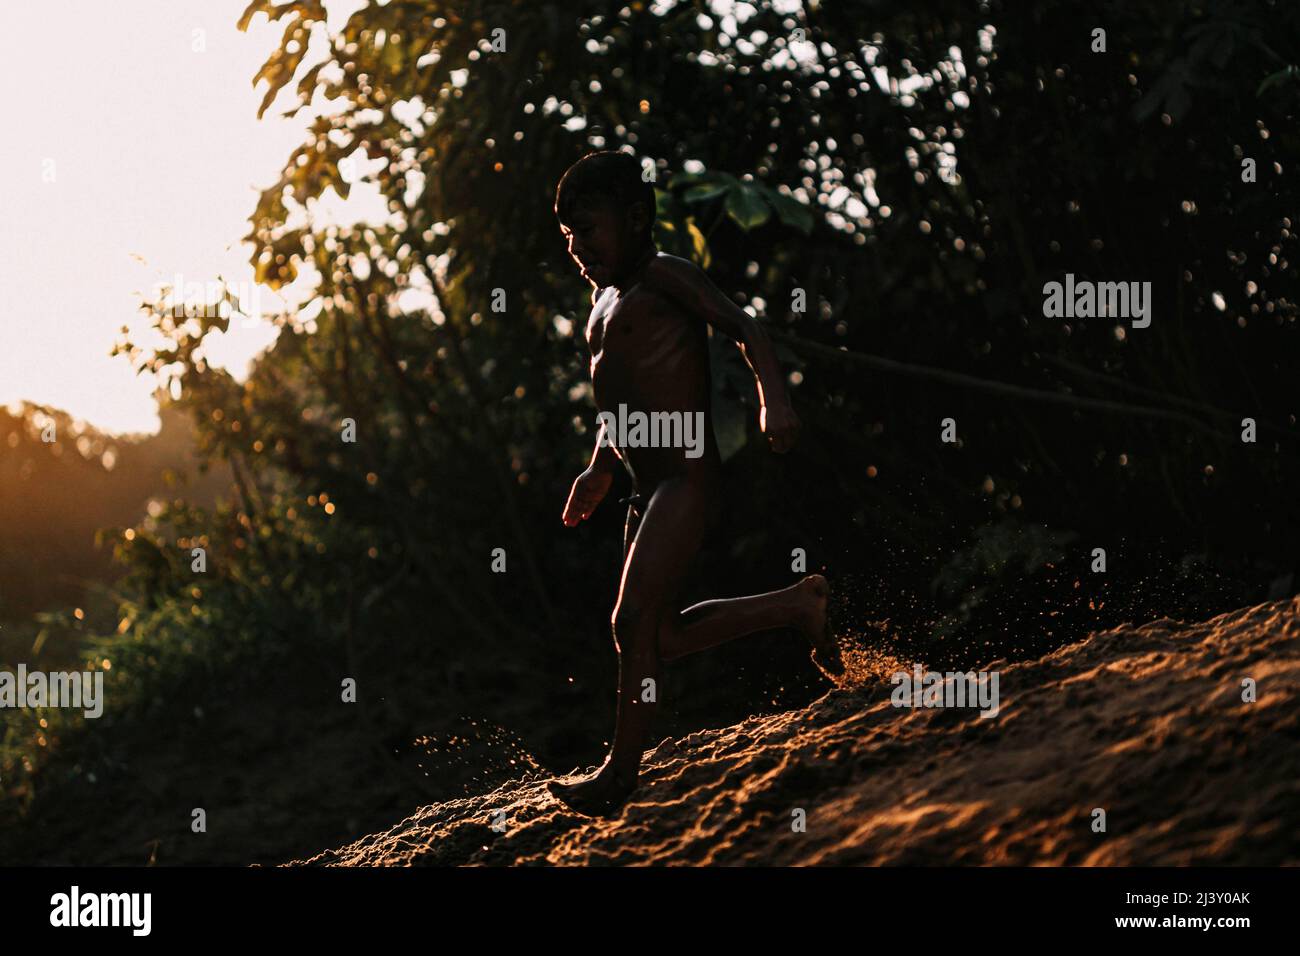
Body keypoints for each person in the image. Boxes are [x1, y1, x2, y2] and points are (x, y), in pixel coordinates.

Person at [546, 150, 838, 815]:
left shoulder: (663, 276)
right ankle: (798, 605)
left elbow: (743, 325)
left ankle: (620, 774)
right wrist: (599, 468)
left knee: (629, 622)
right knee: (660, 635)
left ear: (635, 218)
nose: (577, 248)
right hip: (640, 489)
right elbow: (615, 405)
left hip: (684, 479)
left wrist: (774, 398)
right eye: (567, 237)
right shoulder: (603, 303)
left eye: (587, 230)